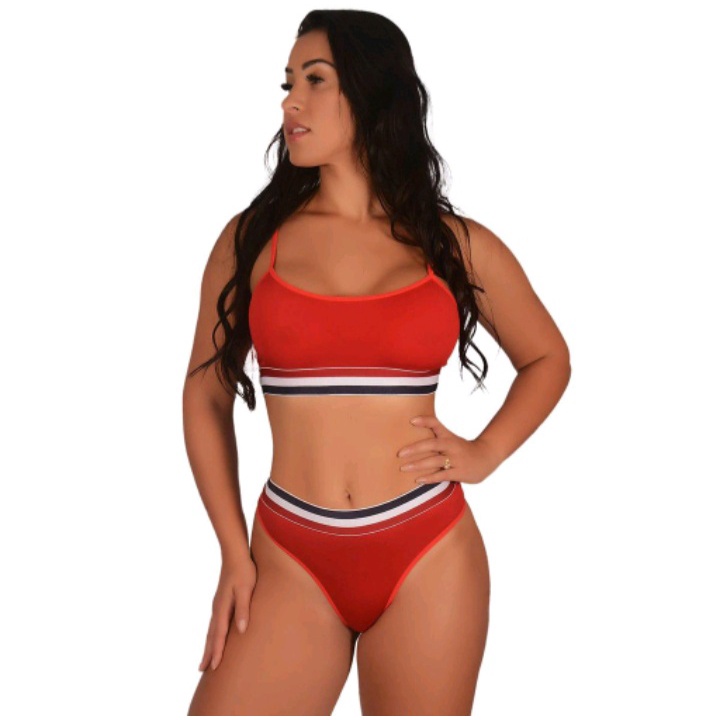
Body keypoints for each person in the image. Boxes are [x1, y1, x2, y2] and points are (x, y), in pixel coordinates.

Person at [184, 9, 570, 716]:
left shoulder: (453, 245)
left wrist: (485, 453)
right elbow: (204, 392)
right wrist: (233, 552)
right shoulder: (252, 241)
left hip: (428, 551)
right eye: (287, 83)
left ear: (369, 92)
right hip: (289, 554)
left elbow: (548, 357)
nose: (290, 102)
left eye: (315, 80)